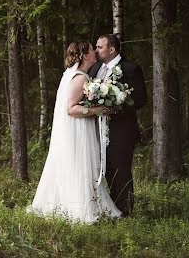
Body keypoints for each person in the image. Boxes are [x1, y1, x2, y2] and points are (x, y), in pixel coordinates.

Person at [27, 40, 122, 223]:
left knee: (80, 165)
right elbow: (70, 109)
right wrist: (98, 110)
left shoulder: (78, 75)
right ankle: (81, 209)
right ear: (85, 55)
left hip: (78, 128)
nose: (95, 51)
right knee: (81, 165)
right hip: (77, 129)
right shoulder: (80, 78)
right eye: (91, 50)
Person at [89, 34, 147, 217]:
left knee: (121, 170)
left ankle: (126, 212)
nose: (96, 51)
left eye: (99, 47)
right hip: (97, 129)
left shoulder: (131, 68)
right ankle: (110, 211)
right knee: (104, 171)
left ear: (111, 49)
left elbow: (140, 99)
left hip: (122, 130)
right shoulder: (95, 69)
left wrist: (116, 108)